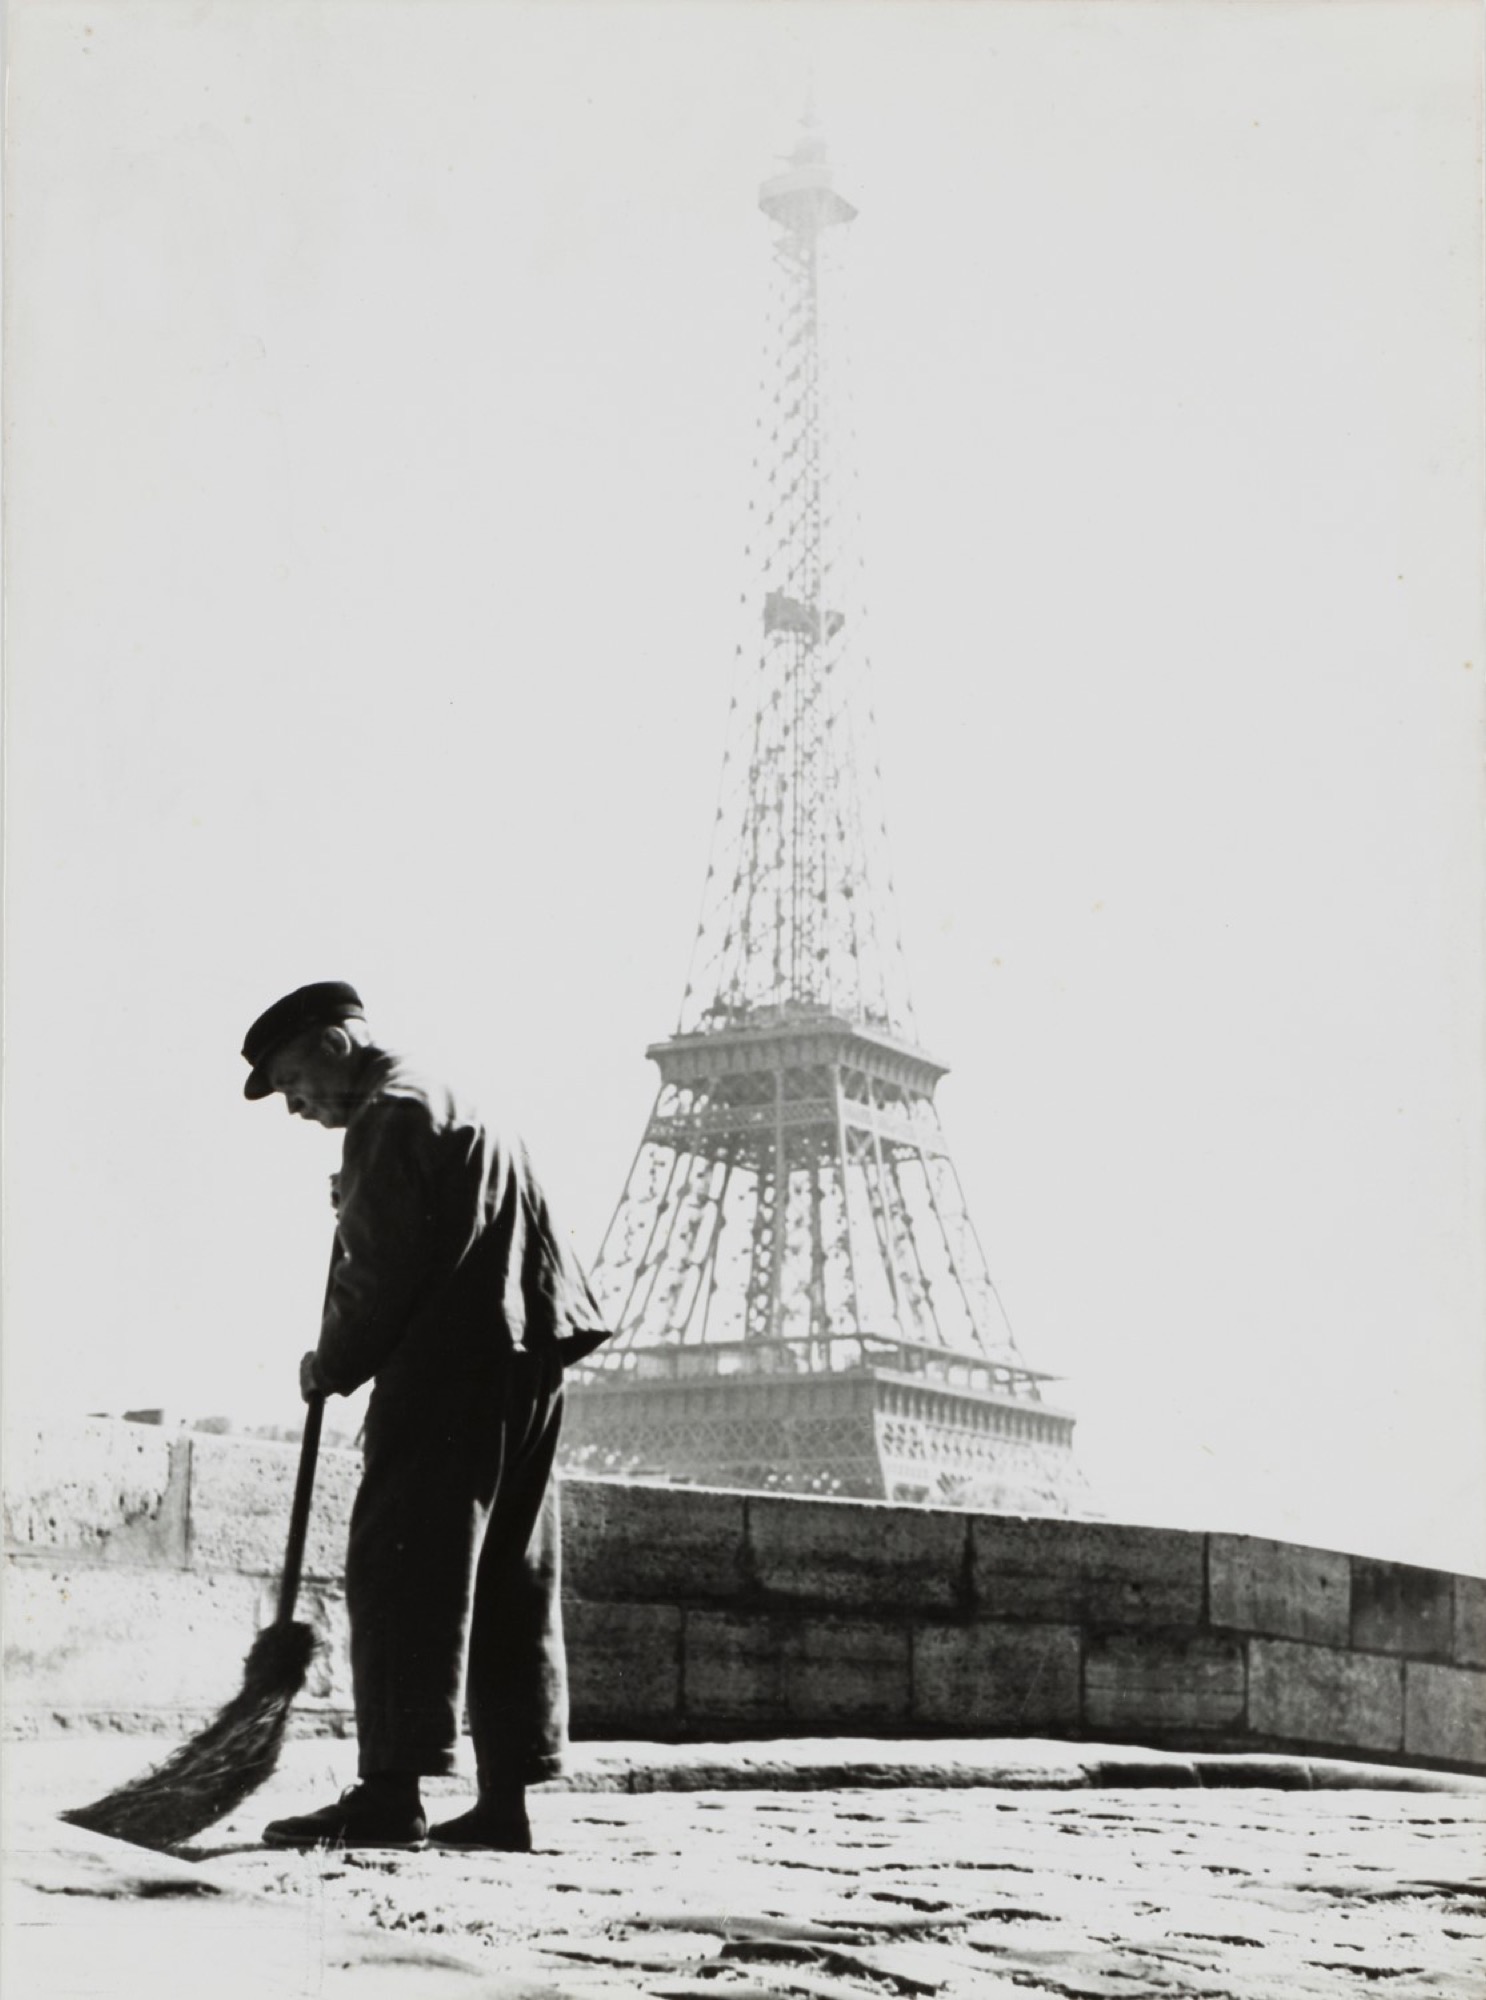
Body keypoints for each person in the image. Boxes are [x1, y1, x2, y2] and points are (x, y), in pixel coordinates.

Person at [239, 980, 609, 1852]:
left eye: (292, 1084)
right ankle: (505, 1802)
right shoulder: (449, 1097)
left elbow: (381, 1276)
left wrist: (328, 1365)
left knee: (402, 1577)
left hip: (449, 1370)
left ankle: (389, 1795)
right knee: (510, 1586)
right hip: (528, 1363)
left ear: (333, 1046)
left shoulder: (390, 1114)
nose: (294, 1108)